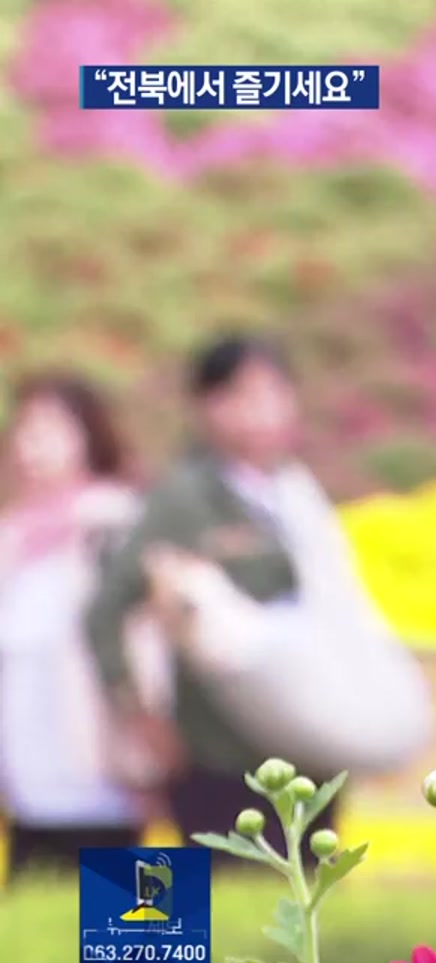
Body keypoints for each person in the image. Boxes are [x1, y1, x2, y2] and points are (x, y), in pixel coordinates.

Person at [84, 335, 346, 858]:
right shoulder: (186, 497)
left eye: (274, 394)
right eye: (240, 396)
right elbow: (108, 608)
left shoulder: (297, 492)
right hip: (223, 753)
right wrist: (141, 712)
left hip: (309, 744)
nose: (260, 413)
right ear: (206, 407)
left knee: (303, 912)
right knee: (197, 918)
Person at [0, 374, 167, 877]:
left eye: (50, 431)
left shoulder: (119, 523)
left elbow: (148, 646)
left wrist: (150, 742)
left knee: (139, 945)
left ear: (89, 436)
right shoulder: (10, 537)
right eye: (24, 433)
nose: (33, 448)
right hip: (27, 783)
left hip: (109, 774)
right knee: (34, 943)